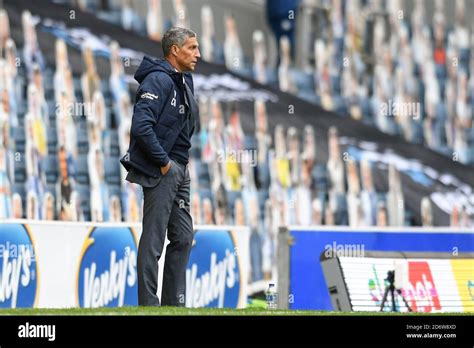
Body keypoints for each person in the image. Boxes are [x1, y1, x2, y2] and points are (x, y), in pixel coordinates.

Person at [120, 27, 200, 307]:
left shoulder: (184, 81)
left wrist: (177, 166)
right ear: (174, 50)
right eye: (191, 47)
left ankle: (173, 305)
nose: (197, 54)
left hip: (180, 169)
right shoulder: (157, 80)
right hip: (164, 170)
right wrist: (164, 163)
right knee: (153, 239)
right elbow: (141, 126)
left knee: (183, 237)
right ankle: (148, 306)